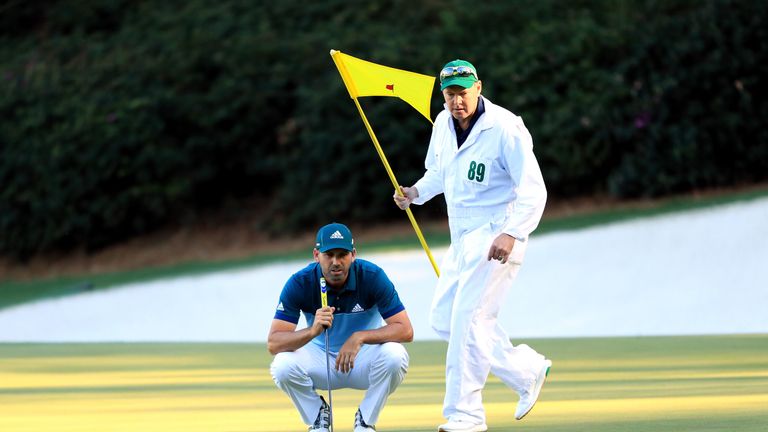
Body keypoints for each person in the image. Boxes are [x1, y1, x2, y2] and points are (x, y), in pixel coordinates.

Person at [393, 59, 551, 432]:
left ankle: (466, 416)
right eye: (450, 94)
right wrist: (415, 193)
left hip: (498, 236)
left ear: (478, 87)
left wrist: (512, 233)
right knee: (444, 319)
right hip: (461, 240)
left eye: (463, 92)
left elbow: (534, 190)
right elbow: (440, 173)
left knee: (468, 321)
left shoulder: (506, 128)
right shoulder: (441, 126)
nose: (456, 101)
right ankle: (526, 371)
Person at [269, 222, 414, 432]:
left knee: (395, 355)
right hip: (320, 357)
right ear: (316, 255)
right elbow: (274, 343)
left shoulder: (372, 277)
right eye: (329, 255)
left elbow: (405, 330)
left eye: (342, 254)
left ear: (353, 255)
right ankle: (318, 417)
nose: (336, 262)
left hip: (363, 358)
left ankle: (365, 420)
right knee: (282, 365)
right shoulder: (300, 282)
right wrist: (312, 330)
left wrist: (359, 337)